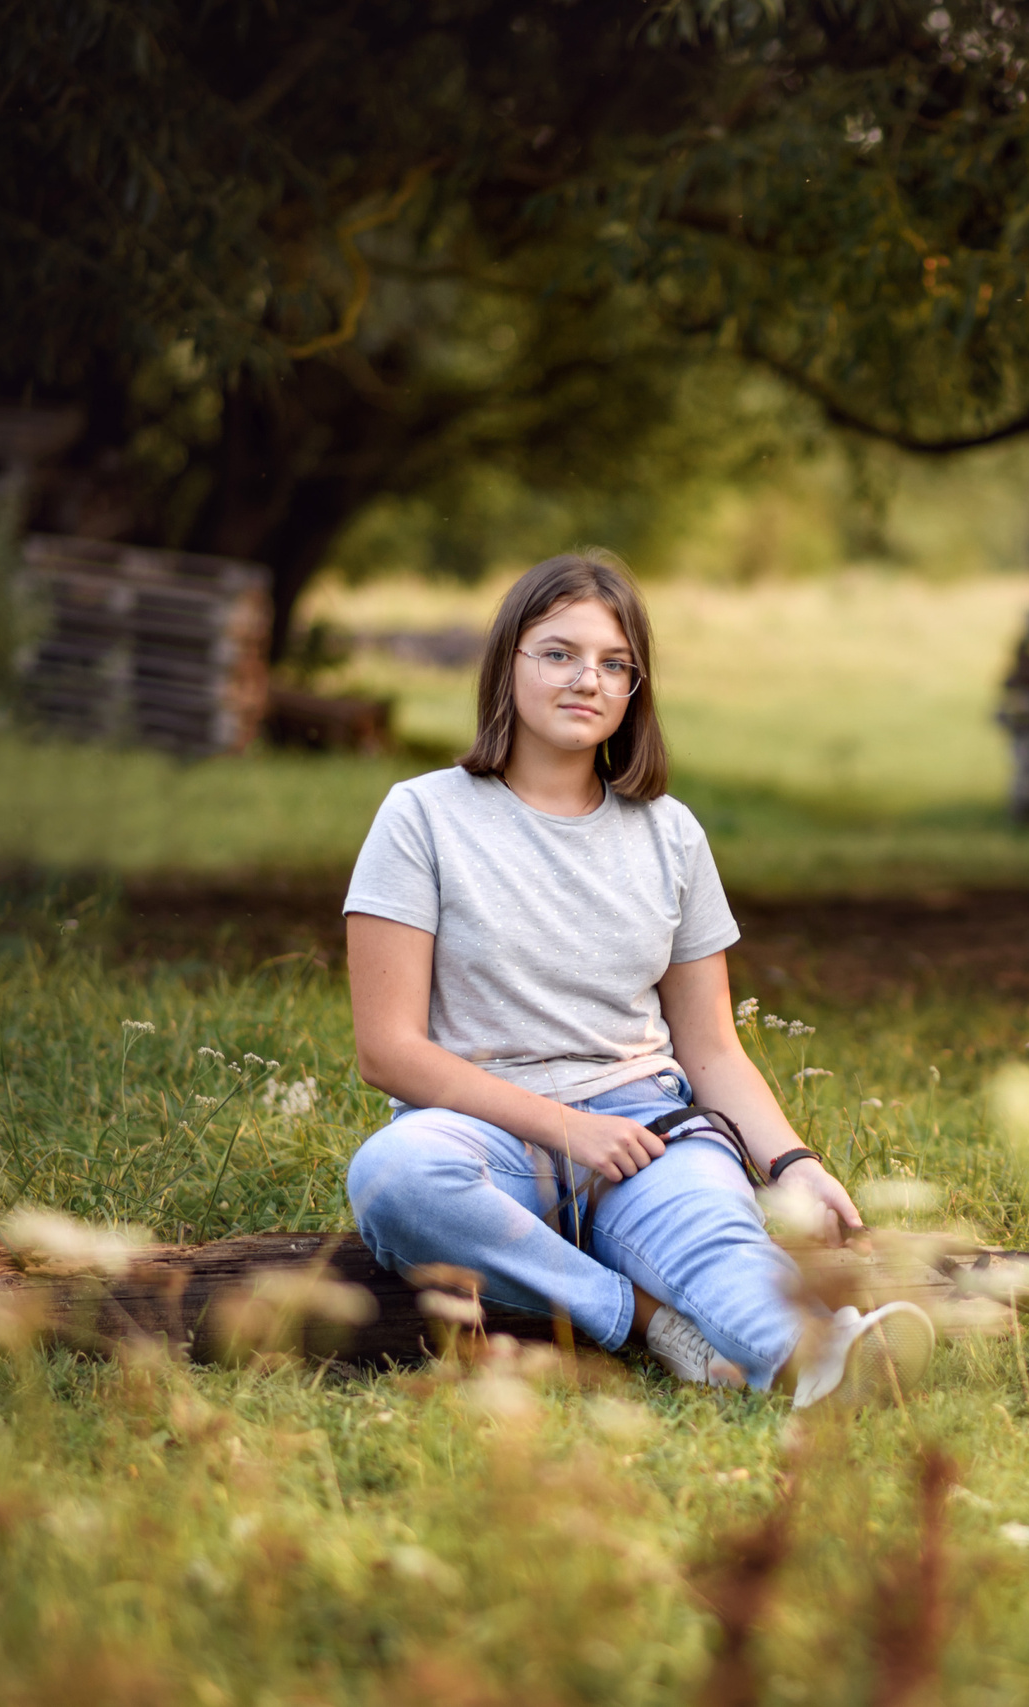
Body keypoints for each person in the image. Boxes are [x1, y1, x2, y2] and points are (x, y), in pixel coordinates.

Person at [340, 552, 933, 1408]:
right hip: (478, 1131)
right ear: (507, 661)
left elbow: (712, 1046)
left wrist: (791, 1161)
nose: (588, 678)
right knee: (394, 1178)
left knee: (715, 1233)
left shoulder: (671, 834)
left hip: (643, 1130)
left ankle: (825, 1358)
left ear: (633, 692)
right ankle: (647, 1318)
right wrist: (564, 1130)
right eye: (559, 652)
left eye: (614, 664)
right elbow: (387, 1051)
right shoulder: (423, 815)